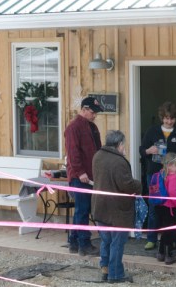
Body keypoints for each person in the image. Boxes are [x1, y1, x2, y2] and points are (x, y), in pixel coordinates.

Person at [139, 101, 176, 251]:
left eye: (172, 119)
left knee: (172, 207)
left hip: (174, 175)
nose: (169, 121)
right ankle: (151, 238)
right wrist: (149, 151)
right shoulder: (152, 131)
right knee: (154, 206)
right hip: (155, 175)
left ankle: (171, 239)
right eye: (166, 118)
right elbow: (142, 150)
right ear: (162, 117)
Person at [91, 130, 142, 283]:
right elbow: (127, 185)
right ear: (119, 144)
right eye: (123, 144)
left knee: (106, 241)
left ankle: (105, 269)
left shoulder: (97, 156)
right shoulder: (119, 161)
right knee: (117, 242)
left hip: (100, 206)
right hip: (117, 210)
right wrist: (139, 185)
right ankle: (116, 274)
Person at [65, 96, 103, 256]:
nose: (94, 115)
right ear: (84, 109)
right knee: (82, 210)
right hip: (80, 177)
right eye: (93, 112)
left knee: (81, 210)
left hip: (90, 175)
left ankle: (73, 242)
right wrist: (80, 172)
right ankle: (84, 244)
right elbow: (73, 153)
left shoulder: (92, 127)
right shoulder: (73, 127)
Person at [154, 152, 176, 265]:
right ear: (170, 165)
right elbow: (173, 193)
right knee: (171, 232)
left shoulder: (161, 173)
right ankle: (169, 255)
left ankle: (161, 253)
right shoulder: (173, 177)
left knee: (164, 231)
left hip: (160, 206)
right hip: (170, 208)